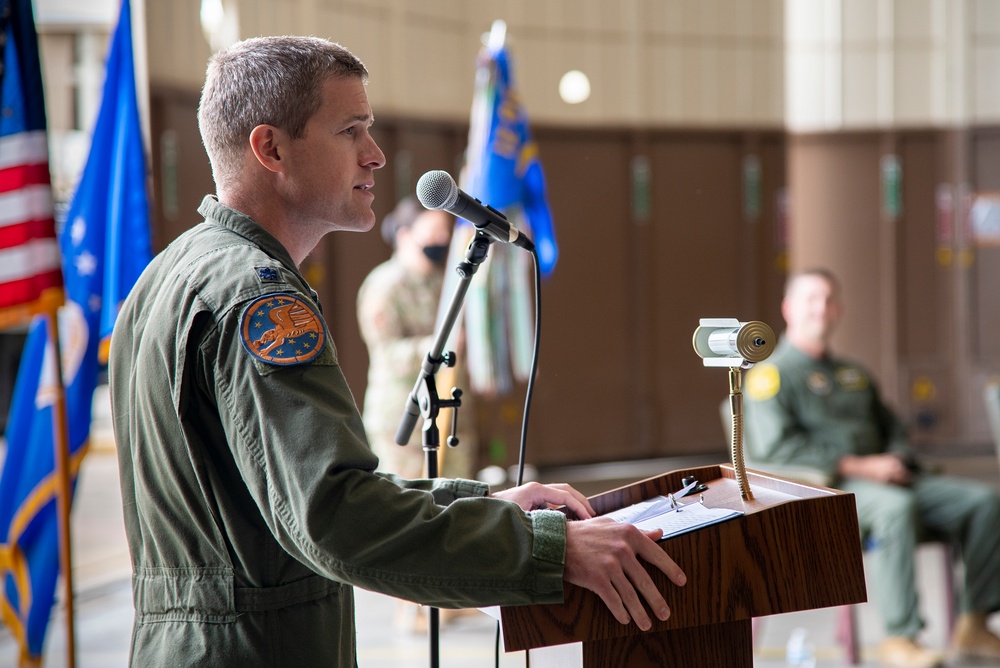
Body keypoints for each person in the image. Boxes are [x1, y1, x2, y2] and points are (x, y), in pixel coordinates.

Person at [108, 35, 686, 666]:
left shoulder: (170, 272)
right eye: (350, 131)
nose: (376, 156)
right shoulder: (259, 297)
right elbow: (334, 517)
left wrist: (482, 506)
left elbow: (280, 501)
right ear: (270, 148)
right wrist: (548, 547)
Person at [743, 268, 1000, 668]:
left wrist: (895, 459)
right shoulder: (770, 377)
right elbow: (777, 448)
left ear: (839, 309)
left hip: (888, 478)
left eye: (829, 299)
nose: (821, 308)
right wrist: (861, 466)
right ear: (788, 308)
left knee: (983, 503)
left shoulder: (852, 373)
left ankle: (975, 623)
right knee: (895, 510)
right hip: (828, 490)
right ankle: (900, 637)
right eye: (811, 299)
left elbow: (892, 426)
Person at [357, 196, 472, 481]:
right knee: (412, 503)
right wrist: (439, 346)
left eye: (444, 233)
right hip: (404, 418)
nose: (440, 240)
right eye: (432, 233)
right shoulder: (384, 285)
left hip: (450, 413)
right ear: (405, 235)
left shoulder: (445, 282)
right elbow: (387, 354)